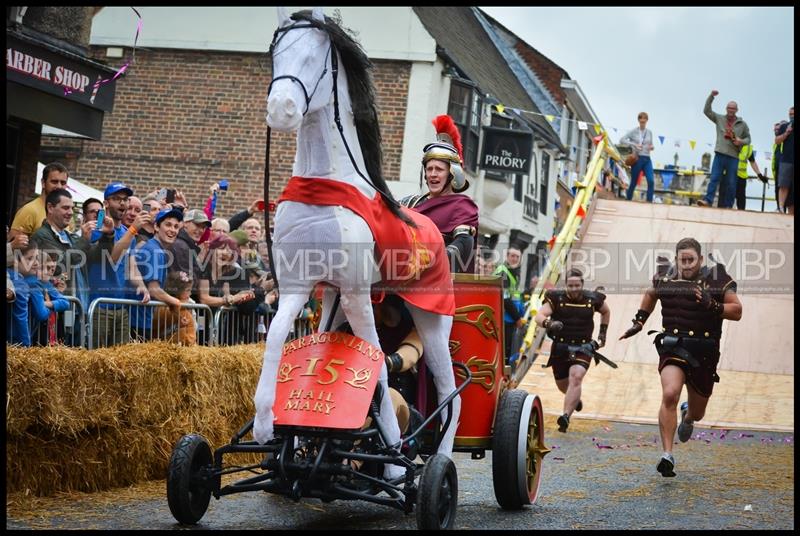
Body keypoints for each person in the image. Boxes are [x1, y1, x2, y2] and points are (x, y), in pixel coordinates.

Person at [619, 237, 742, 477]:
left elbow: (737, 311)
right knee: (669, 393)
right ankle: (667, 454)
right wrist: (639, 321)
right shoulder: (665, 276)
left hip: (704, 351)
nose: (686, 265)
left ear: (700, 259)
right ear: (676, 259)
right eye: (682, 260)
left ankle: (689, 417)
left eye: (691, 260)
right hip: (673, 346)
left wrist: (713, 305)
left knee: (698, 411)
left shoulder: (717, 279)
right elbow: (650, 294)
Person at [534, 268, 610, 433]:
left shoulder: (592, 298)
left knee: (576, 377)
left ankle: (565, 416)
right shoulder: (555, 298)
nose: (574, 289)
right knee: (563, 385)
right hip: (560, 347)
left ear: (582, 284)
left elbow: (606, 311)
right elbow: (539, 316)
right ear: (566, 285)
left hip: (584, 347)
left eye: (577, 285)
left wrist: (602, 333)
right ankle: (575, 400)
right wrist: (549, 324)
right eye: (571, 285)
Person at [402, 115, 479, 273]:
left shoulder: (463, 206)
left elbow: (464, 242)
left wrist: (433, 261)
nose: (432, 174)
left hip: (437, 279)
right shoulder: (409, 203)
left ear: (452, 174)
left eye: (439, 169)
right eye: (429, 169)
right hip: (402, 274)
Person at [87, 182, 150, 347]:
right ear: (106, 203)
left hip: (121, 306)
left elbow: (130, 265)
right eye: (116, 199)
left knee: (120, 361)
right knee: (96, 360)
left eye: (125, 199)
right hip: (99, 305)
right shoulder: (97, 226)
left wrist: (141, 285)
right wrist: (133, 230)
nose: (123, 203)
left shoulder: (125, 231)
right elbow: (112, 258)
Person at [30, 188, 94, 343]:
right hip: (58, 308)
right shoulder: (42, 236)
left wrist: (107, 235)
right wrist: (83, 240)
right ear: (50, 208)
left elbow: (91, 259)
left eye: (72, 208)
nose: (70, 212)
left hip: (76, 306)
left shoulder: (70, 236)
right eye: (65, 208)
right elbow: (58, 267)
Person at [131, 207, 185, 341]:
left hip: (141, 317)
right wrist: (176, 303)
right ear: (156, 226)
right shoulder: (155, 251)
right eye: (168, 225)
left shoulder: (154, 248)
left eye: (176, 226)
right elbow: (154, 290)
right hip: (138, 319)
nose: (172, 230)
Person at [697, 91, 751, 208]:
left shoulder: (743, 124)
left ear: (737, 110)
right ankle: (708, 201)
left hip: (733, 156)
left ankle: (728, 206)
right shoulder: (719, 118)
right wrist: (711, 96)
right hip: (720, 154)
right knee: (714, 178)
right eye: (729, 108)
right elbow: (706, 111)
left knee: (732, 183)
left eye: (733, 108)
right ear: (726, 108)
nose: (730, 110)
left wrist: (740, 141)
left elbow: (748, 139)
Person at [9, 162, 69, 242]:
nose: (59, 186)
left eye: (63, 183)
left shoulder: (67, 212)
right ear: (43, 183)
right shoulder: (29, 210)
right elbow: (13, 248)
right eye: (54, 182)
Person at [28, 251, 71, 346]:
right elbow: (41, 314)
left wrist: (45, 304)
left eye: (52, 268)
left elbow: (65, 303)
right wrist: (51, 306)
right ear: (35, 268)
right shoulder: (33, 284)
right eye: (47, 268)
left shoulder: (48, 285)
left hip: (48, 336)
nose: (51, 271)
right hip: (34, 337)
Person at [494, 246, 526, 363]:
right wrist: (517, 318)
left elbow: (515, 296)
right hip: (503, 317)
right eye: (512, 256)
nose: (515, 259)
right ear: (507, 256)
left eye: (517, 257)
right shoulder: (503, 271)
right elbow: (505, 298)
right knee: (503, 350)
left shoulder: (513, 272)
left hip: (509, 317)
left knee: (507, 349)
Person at [6, 243, 42, 346]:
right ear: (15, 262)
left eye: (37, 258)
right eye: (30, 259)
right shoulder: (19, 284)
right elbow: (21, 317)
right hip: (14, 342)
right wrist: (26, 346)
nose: (36, 263)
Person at [152, 270, 197, 345]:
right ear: (178, 291)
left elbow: (191, 336)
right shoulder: (163, 309)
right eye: (188, 290)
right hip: (165, 347)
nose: (190, 293)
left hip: (183, 348)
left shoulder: (190, 305)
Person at [620, 112, 656, 202]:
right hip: (637, 158)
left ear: (647, 121)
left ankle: (649, 201)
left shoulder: (649, 132)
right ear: (639, 121)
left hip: (647, 159)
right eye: (641, 121)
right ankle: (628, 199)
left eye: (644, 121)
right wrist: (634, 145)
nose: (643, 123)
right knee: (634, 182)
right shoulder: (634, 131)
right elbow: (622, 140)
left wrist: (652, 147)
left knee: (651, 180)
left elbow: (651, 144)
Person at [722, 143, 767, 211]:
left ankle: (742, 214)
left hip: (741, 177)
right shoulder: (730, 142)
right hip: (730, 174)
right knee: (728, 197)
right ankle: (725, 212)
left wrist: (759, 175)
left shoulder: (748, 148)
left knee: (741, 198)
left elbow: (752, 162)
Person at [774, 106, 794, 215]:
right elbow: (777, 141)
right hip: (786, 160)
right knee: (783, 185)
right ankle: (780, 208)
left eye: (793, 114)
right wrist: (786, 133)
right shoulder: (784, 126)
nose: (792, 116)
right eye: (790, 114)